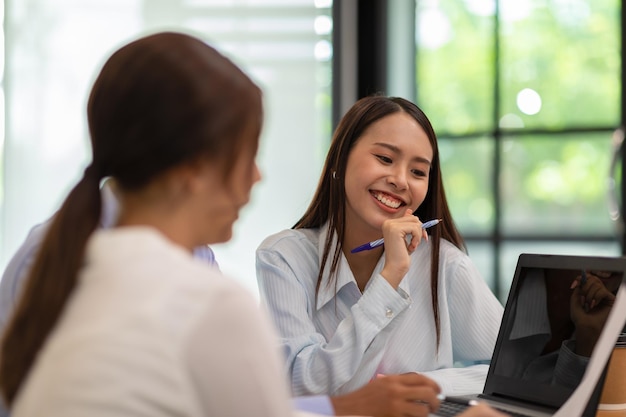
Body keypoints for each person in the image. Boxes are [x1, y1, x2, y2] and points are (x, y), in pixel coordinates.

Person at [0, 32, 507, 417]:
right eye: (246, 154)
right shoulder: (213, 296)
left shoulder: (130, 258)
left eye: (419, 171)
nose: (259, 175)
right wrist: (350, 406)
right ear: (193, 167)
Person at [256, 95, 504, 397]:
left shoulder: (445, 264)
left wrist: (429, 385)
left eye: (418, 172)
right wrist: (391, 276)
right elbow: (302, 386)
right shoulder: (283, 258)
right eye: (385, 159)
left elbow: (512, 371)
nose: (400, 181)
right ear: (341, 158)